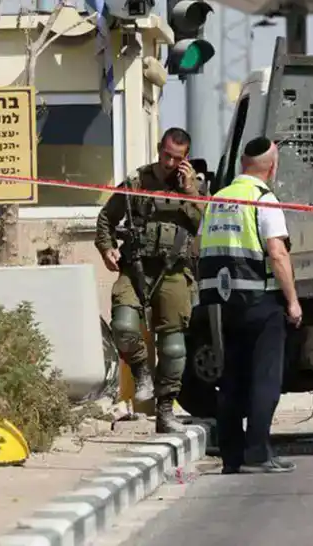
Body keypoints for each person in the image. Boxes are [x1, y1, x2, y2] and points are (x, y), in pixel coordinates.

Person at [197, 137, 302, 474]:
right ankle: (258, 450)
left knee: (231, 378)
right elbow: (277, 252)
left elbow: (200, 245)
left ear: (242, 165)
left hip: (219, 302)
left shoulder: (218, 198)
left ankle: (231, 455)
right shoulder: (263, 199)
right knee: (265, 378)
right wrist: (293, 301)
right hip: (258, 300)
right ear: (271, 167)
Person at [95, 127, 205, 433]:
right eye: (166, 155)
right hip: (136, 267)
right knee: (124, 327)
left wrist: (190, 193)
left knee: (172, 348)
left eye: (177, 158)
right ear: (159, 149)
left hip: (173, 271)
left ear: (186, 159)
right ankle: (142, 372)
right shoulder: (137, 182)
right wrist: (106, 248)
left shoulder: (193, 188)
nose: (170, 163)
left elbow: (202, 225)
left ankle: (166, 410)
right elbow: (107, 217)